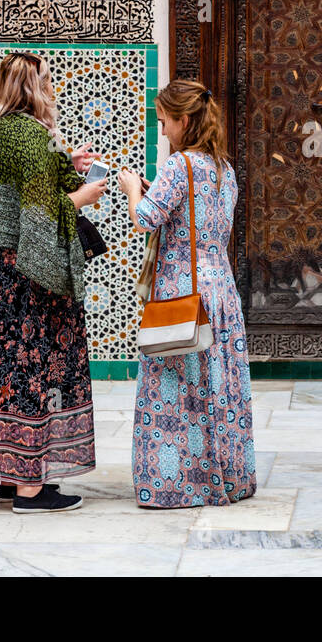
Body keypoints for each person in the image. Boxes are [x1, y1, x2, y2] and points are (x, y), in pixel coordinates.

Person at [0, 52, 106, 514]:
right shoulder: (33, 136)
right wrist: (82, 195)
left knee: (0, 372)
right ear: (37, 87)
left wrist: (64, 163)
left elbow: (4, 199)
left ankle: (11, 478)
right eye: (49, 82)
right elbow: (40, 217)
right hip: (27, 279)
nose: (53, 90)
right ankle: (31, 491)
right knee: (32, 368)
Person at [118, 79, 256, 508]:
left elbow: (144, 217)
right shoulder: (224, 169)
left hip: (183, 292)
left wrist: (131, 189)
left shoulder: (180, 166)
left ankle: (177, 483)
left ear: (184, 120)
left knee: (175, 389)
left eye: (164, 122)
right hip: (221, 291)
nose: (162, 131)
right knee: (218, 387)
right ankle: (227, 478)